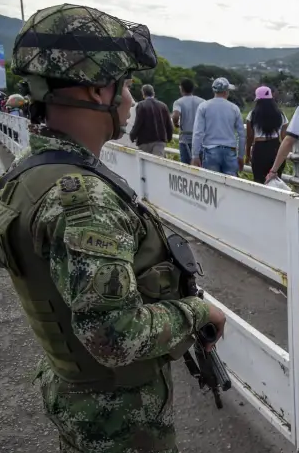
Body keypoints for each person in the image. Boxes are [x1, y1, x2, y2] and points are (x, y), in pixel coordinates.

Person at [2, 4, 226, 452]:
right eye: (121, 85)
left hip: (83, 400)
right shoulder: (84, 200)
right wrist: (202, 314)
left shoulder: (28, 174)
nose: (127, 100)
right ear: (95, 91)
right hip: (118, 417)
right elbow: (114, 334)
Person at [191, 77, 245, 175]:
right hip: (230, 151)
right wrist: (241, 156)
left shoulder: (204, 106)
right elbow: (241, 135)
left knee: (212, 186)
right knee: (230, 185)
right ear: (226, 92)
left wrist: (195, 155)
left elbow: (198, 133)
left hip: (210, 150)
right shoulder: (234, 108)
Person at [246, 85, 288, 183]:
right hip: (275, 148)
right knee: (276, 181)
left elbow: (249, 137)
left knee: (259, 181)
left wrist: (247, 154)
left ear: (258, 100)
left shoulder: (252, 114)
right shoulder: (280, 114)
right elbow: (284, 138)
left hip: (259, 149)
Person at [129, 84, 174, 156]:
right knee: (157, 164)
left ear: (143, 94)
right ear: (153, 93)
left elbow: (138, 123)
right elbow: (169, 125)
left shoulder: (141, 105)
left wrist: (132, 135)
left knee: (145, 164)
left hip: (144, 140)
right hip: (160, 140)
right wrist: (168, 138)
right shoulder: (163, 106)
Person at [171, 78, 205, 165]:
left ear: (181, 89)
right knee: (201, 165)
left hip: (185, 138)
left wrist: (176, 124)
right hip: (201, 139)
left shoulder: (178, 102)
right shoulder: (202, 102)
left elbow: (175, 116)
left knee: (186, 165)